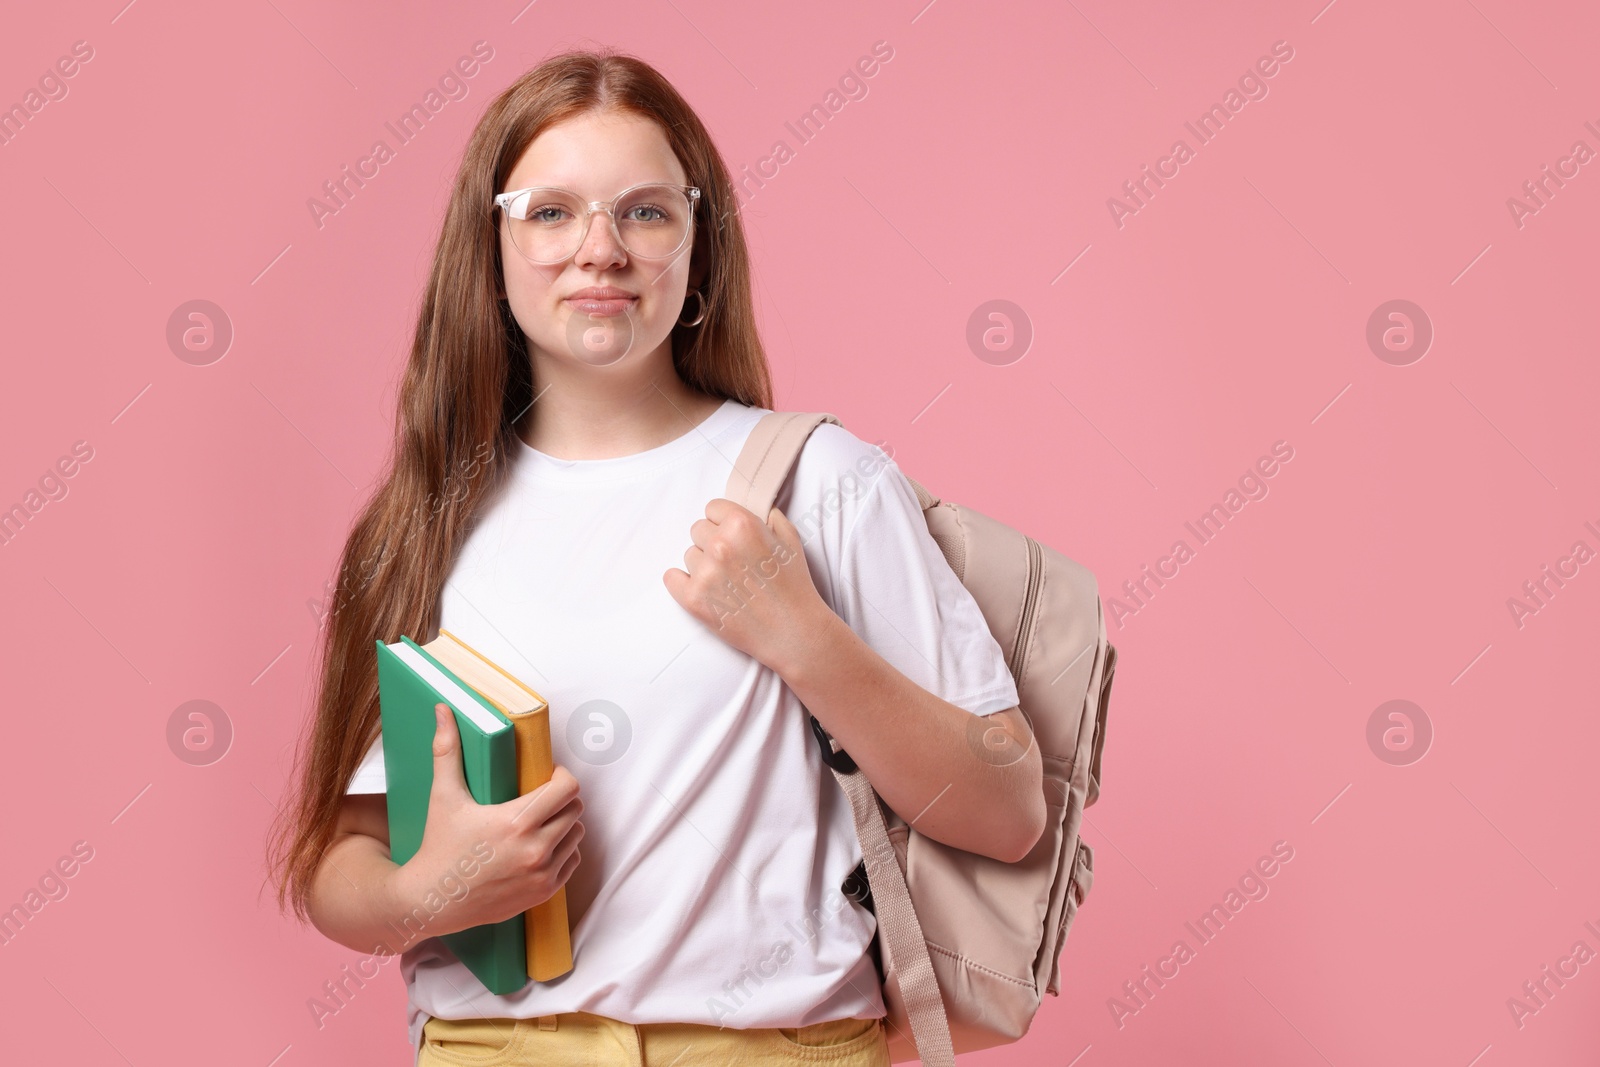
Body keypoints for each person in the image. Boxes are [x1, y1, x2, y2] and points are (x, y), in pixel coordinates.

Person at [267, 47, 1044, 1067]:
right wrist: (425, 894)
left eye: (644, 211)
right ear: (488, 242)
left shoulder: (821, 482)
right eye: (550, 211)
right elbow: (338, 858)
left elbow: (1008, 807)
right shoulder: (421, 521)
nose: (600, 249)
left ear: (695, 243)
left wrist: (805, 638)